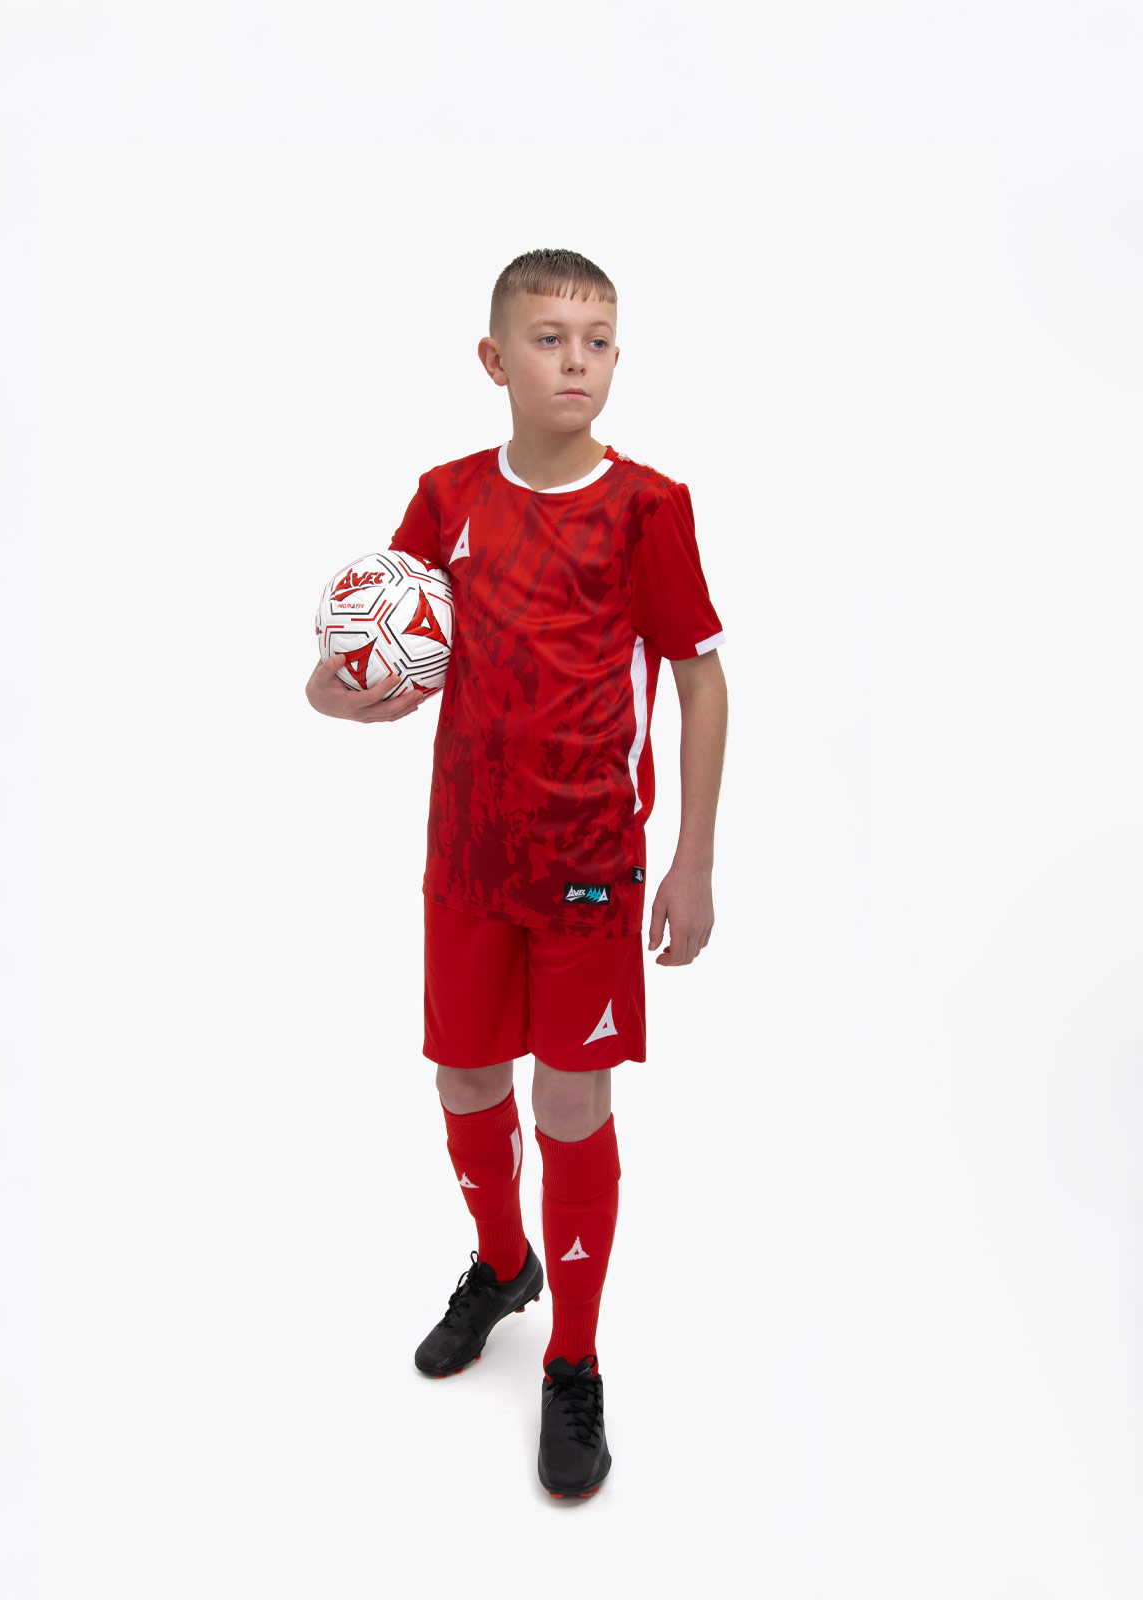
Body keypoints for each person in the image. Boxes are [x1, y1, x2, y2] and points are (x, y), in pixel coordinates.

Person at [305, 247, 728, 1499]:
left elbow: (701, 681)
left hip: (592, 865)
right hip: (467, 860)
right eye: (550, 339)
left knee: (573, 1107)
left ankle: (574, 1360)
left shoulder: (650, 506)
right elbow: (393, 654)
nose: (578, 361)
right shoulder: (445, 498)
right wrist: (338, 689)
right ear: (495, 360)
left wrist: (693, 861)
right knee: (469, 1075)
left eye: (599, 339)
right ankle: (502, 1264)